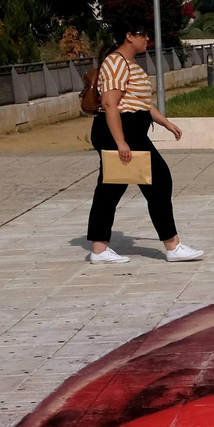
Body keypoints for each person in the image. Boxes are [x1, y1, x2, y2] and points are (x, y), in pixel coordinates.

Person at [86, 18, 203, 265]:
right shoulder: (116, 62)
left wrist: (166, 123)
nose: (147, 40)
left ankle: (99, 249)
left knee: (111, 188)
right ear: (129, 36)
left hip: (130, 130)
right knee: (159, 181)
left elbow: (142, 104)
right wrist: (120, 141)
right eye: (143, 35)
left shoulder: (131, 65)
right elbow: (109, 103)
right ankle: (172, 246)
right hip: (120, 131)